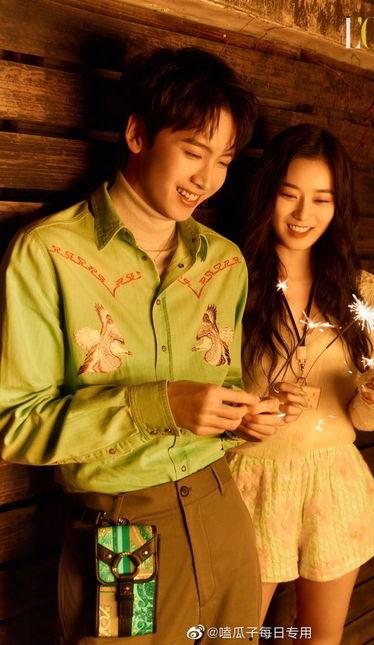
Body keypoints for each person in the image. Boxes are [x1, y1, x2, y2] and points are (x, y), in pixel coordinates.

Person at [0, 47, 280, 644]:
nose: (207, 179)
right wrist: (157, 404)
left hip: (222, 509)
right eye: (194, 151)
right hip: (122, 531)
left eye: (224, 160)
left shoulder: (224, 262)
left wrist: (244, 417)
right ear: (136, 134)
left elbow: (224, 386)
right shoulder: (49, 253)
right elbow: (15, 425)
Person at [227, 124, 374, 644]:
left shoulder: (361, 294)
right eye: (290, 194)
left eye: (322, 199)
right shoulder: (232, 280)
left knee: (320, 638)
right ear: (268, 193)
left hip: (333, 480)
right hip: (253, 480)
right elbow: (209, 389)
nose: (303, 214)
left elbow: (363, 418)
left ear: (338, 206)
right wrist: (252, 411)